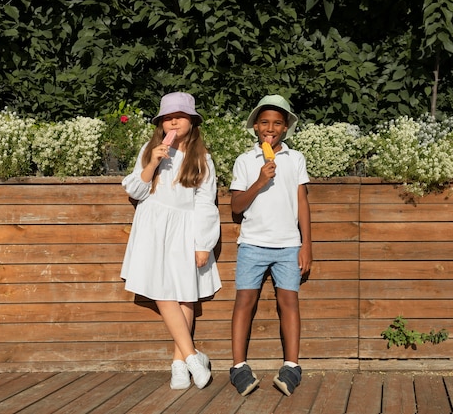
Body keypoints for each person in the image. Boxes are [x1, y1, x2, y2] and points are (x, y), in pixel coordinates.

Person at [120, 92, 221, 390]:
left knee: (185, 292)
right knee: (163, 291)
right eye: (167, 117)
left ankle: (179, 363)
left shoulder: (202, 159)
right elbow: (136, 191)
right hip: (152, 226)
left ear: (192, 121)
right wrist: (151, 163)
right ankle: (192, 356)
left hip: (184, 227)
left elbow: (205, 202)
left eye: (180, 116)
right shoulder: (151, 148)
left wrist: (203, 243)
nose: (173, 120)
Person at [229, 95, 312, 397]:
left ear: (286, 127)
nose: (270, 127)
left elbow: (302, 202)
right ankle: (238, 366)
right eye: (264, 122)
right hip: (252, 243)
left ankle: (291, 366)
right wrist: (259, 181)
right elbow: (236, 206)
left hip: (289, 244)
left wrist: (306, 244)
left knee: (288, 303)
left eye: (277, 122)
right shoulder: (245, 160)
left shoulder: (295, 159)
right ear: (255, 126)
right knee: (244, 303)